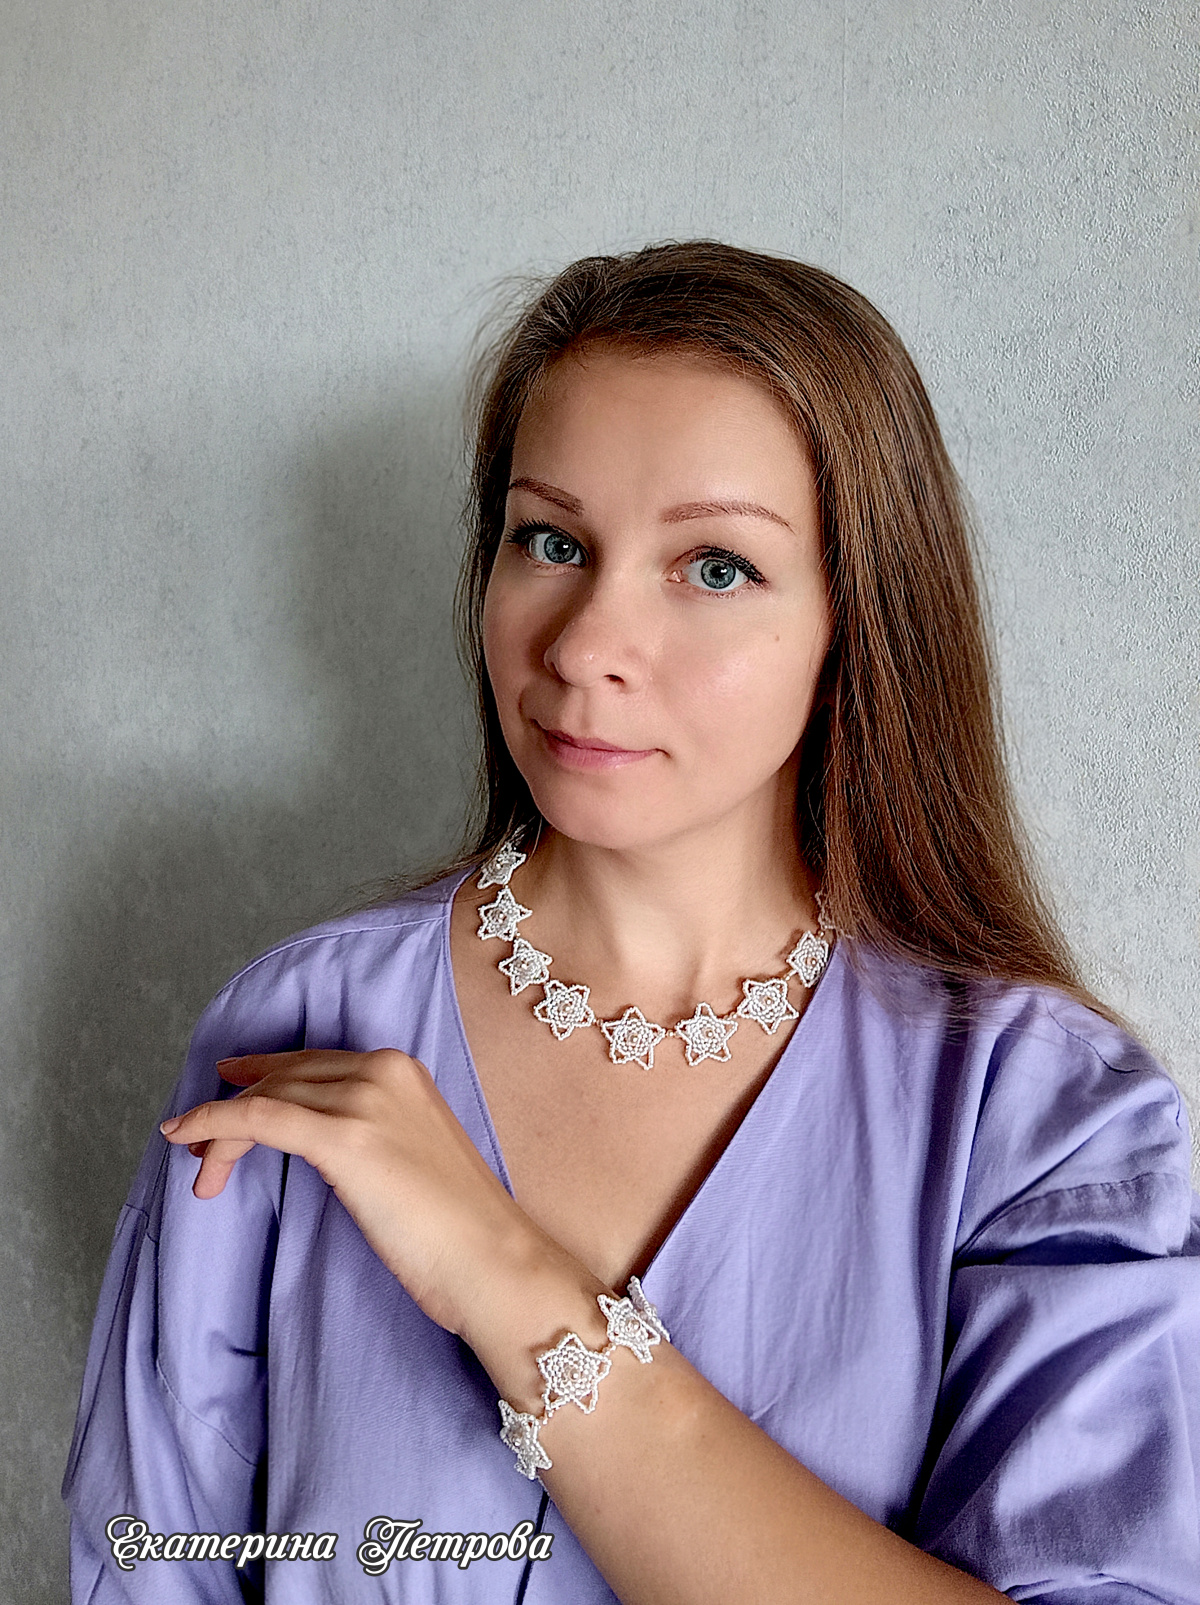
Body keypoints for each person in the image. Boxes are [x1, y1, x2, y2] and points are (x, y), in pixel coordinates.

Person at [62, 241, 1200, 1604]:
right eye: (551, 540)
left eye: (714, 567)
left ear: (859, 619)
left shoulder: (1044, 1116)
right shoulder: (287, 1036)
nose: (586, 643)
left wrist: (506, 1277)